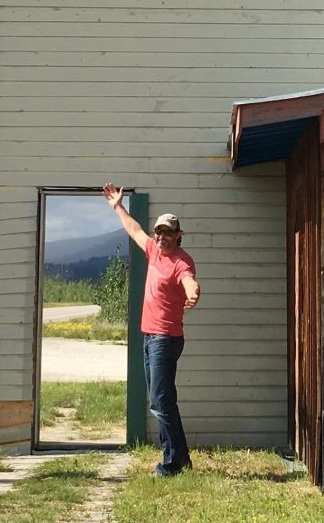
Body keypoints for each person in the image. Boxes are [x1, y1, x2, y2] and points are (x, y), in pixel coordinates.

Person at [102, 183, 200, 477]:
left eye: (167, 232)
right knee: (162, 399)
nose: (161, 236)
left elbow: (189, 281)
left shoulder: (181, 261)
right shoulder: (155, 252)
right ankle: (180, 458)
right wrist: (118, 206)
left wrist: (194, 293)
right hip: (151, 337)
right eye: (159, 231)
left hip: (165, 339)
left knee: (160, 400)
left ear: (178, 235)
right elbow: (134, 230)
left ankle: (171, 464)